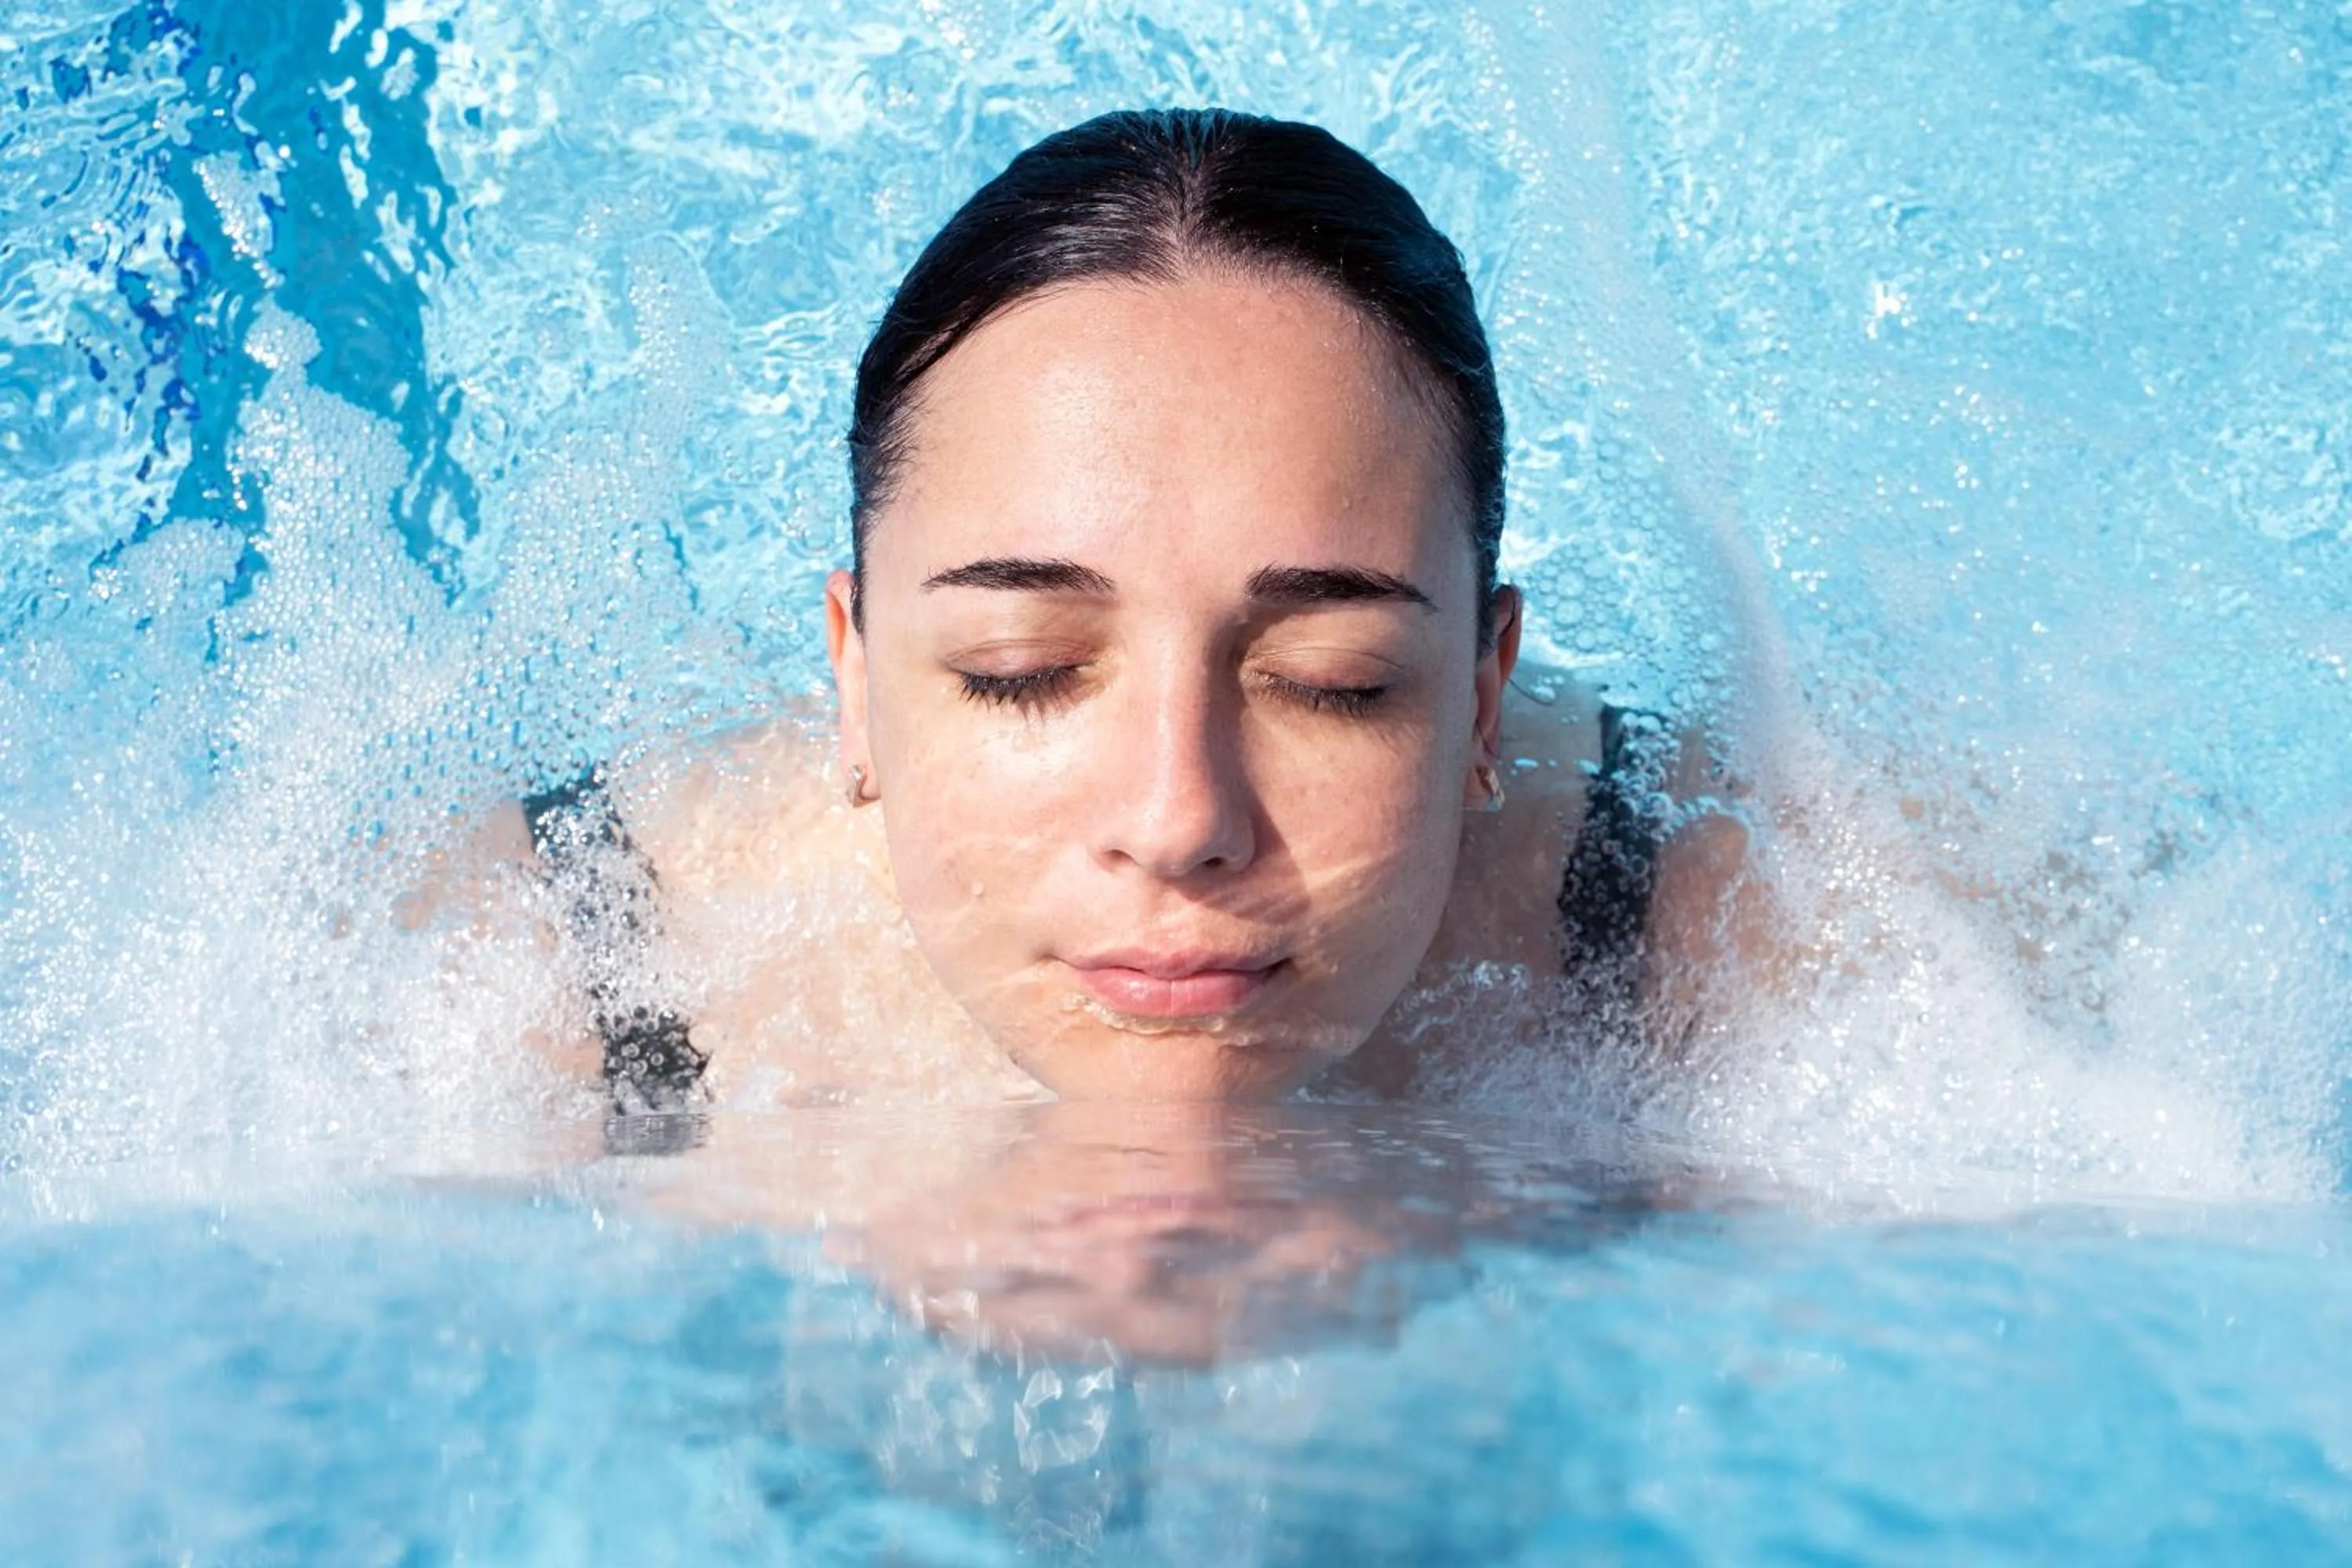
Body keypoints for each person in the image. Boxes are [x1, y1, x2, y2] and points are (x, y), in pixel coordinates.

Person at [495, 107, 1771, 1113]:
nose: (1178, 822)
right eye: (1022, 670)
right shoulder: (551, 973)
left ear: (1485, 695)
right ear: (856, 675)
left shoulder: (1715, 922)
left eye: (1335, 679)